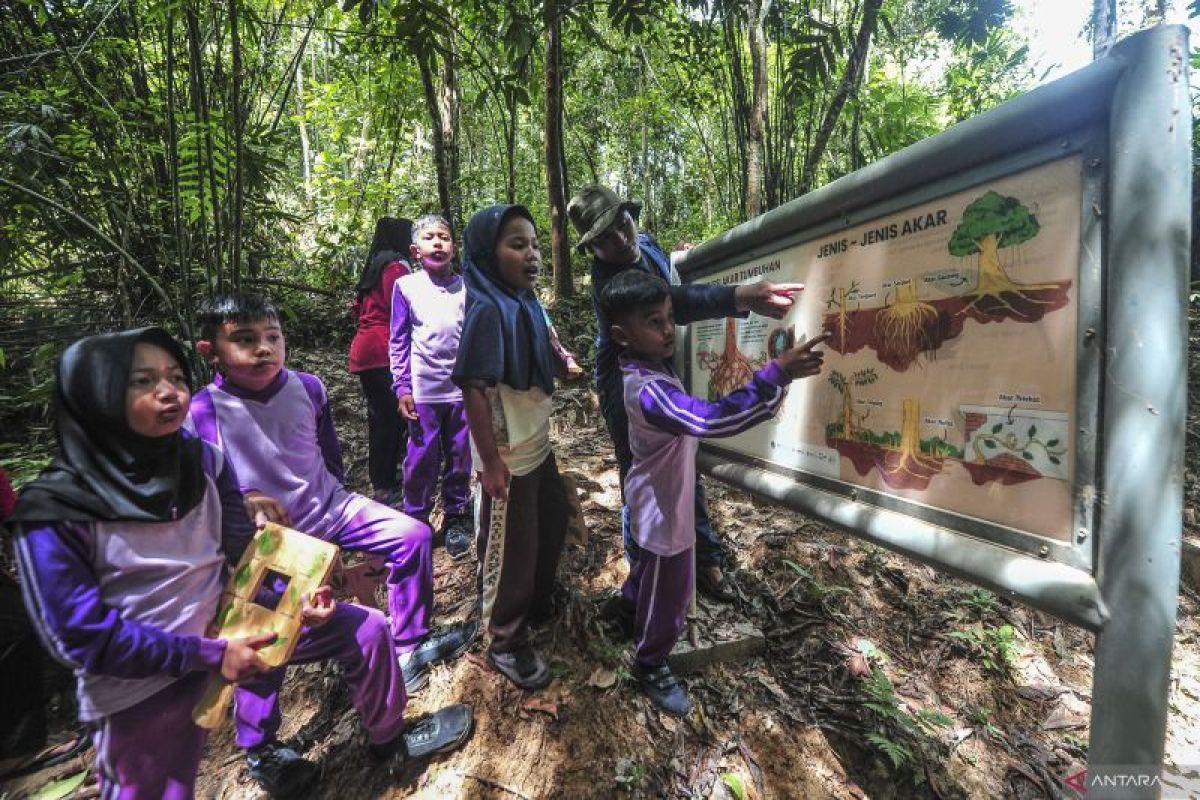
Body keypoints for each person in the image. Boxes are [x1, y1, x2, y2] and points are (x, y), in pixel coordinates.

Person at [6, 328, 472, 799]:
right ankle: (262, 750)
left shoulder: (203, 462)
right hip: (142, 687)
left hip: (228, 629)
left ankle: (389, 742)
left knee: (367, 631)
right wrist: (208, 654)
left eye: (174, 376)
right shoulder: (55, 511)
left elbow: (244, 556)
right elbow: (83, 638)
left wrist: (299, 601)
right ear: (96, 396)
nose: (168, 392)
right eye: (142, 382)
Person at [186, 294, 475, 794]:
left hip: (332, 507)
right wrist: (242, 503)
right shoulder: (203, 411)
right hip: (269, 549)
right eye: (245, 340)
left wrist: (340, 525)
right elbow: (203, 496)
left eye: (272, 337)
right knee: (264, 638)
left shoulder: (308, 388)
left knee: (413, 536)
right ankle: (261, 747)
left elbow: (329, 456)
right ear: (211, 351)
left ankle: (409, 643)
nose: (263, 349)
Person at [600, 271, 826, 714]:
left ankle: (626, 610)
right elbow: (709, 421)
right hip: (664, 511)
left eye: (669, 318)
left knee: (649, 569)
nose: (669, 331)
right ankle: (651, 659)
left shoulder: (645, 368)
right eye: (654, 322)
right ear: (621, 336)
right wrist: (774, 375)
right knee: (673, 589)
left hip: (654, 498)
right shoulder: (649, 391)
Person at [567, 184, 803, 602]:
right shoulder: (612, 285)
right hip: (627, 379)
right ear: (592, 249)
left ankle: (704, 558)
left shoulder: (646, 244)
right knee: (640, 474)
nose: (620, 239)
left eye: (621, 224)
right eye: (603, 239)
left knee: (683, 459)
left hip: (661, 361)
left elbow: (671, 280)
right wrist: (741, 296)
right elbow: (674, 299)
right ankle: (645, 573)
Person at [453, 205, 570, 691]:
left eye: (535, 244)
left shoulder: (524, 303)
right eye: (516, 245)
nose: (532, 254)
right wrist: (492, 464)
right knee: (513, 545)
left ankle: (537, 601)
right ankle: (505, 637)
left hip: (536, 440)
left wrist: (562, 361)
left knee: (553, 519)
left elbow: (544, 348)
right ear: (486, 253)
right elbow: (473, 389)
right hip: (507, 450)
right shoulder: (485, 308)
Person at [389, 214, 473, 558]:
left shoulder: (469, 286)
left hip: (463, 392)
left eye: (444, 237)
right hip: (424, 393)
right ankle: (416, 519)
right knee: (421, 458)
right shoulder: (406, 287)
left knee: (459, 457)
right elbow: (397, 340)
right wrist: (402, 387)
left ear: (454, 248)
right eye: (429, 237)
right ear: (415, 249)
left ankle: (455, 517)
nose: (437, 242)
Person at [350, 217, 413, 507]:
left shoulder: (374, 265)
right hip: (383, 349)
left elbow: (357, 310)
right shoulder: (396, 266)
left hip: (365, 349)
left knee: (380, 419)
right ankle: (386, 485)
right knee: (390, 419)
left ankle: (383, 480)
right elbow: (402, 308)